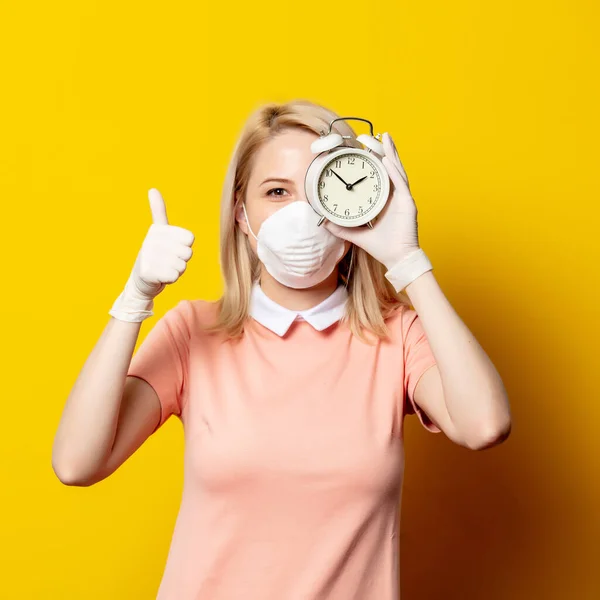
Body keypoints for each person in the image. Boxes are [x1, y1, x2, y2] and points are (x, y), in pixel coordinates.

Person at [52, 99, 512, 599]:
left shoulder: (397, 336)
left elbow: (484, 425)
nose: (301, 214)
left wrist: (408, 261)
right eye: (276, 191)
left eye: (321, 191)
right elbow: (77, 463)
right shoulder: (193, 332)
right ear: (242, 214)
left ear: (352, 203)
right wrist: (134, 298)